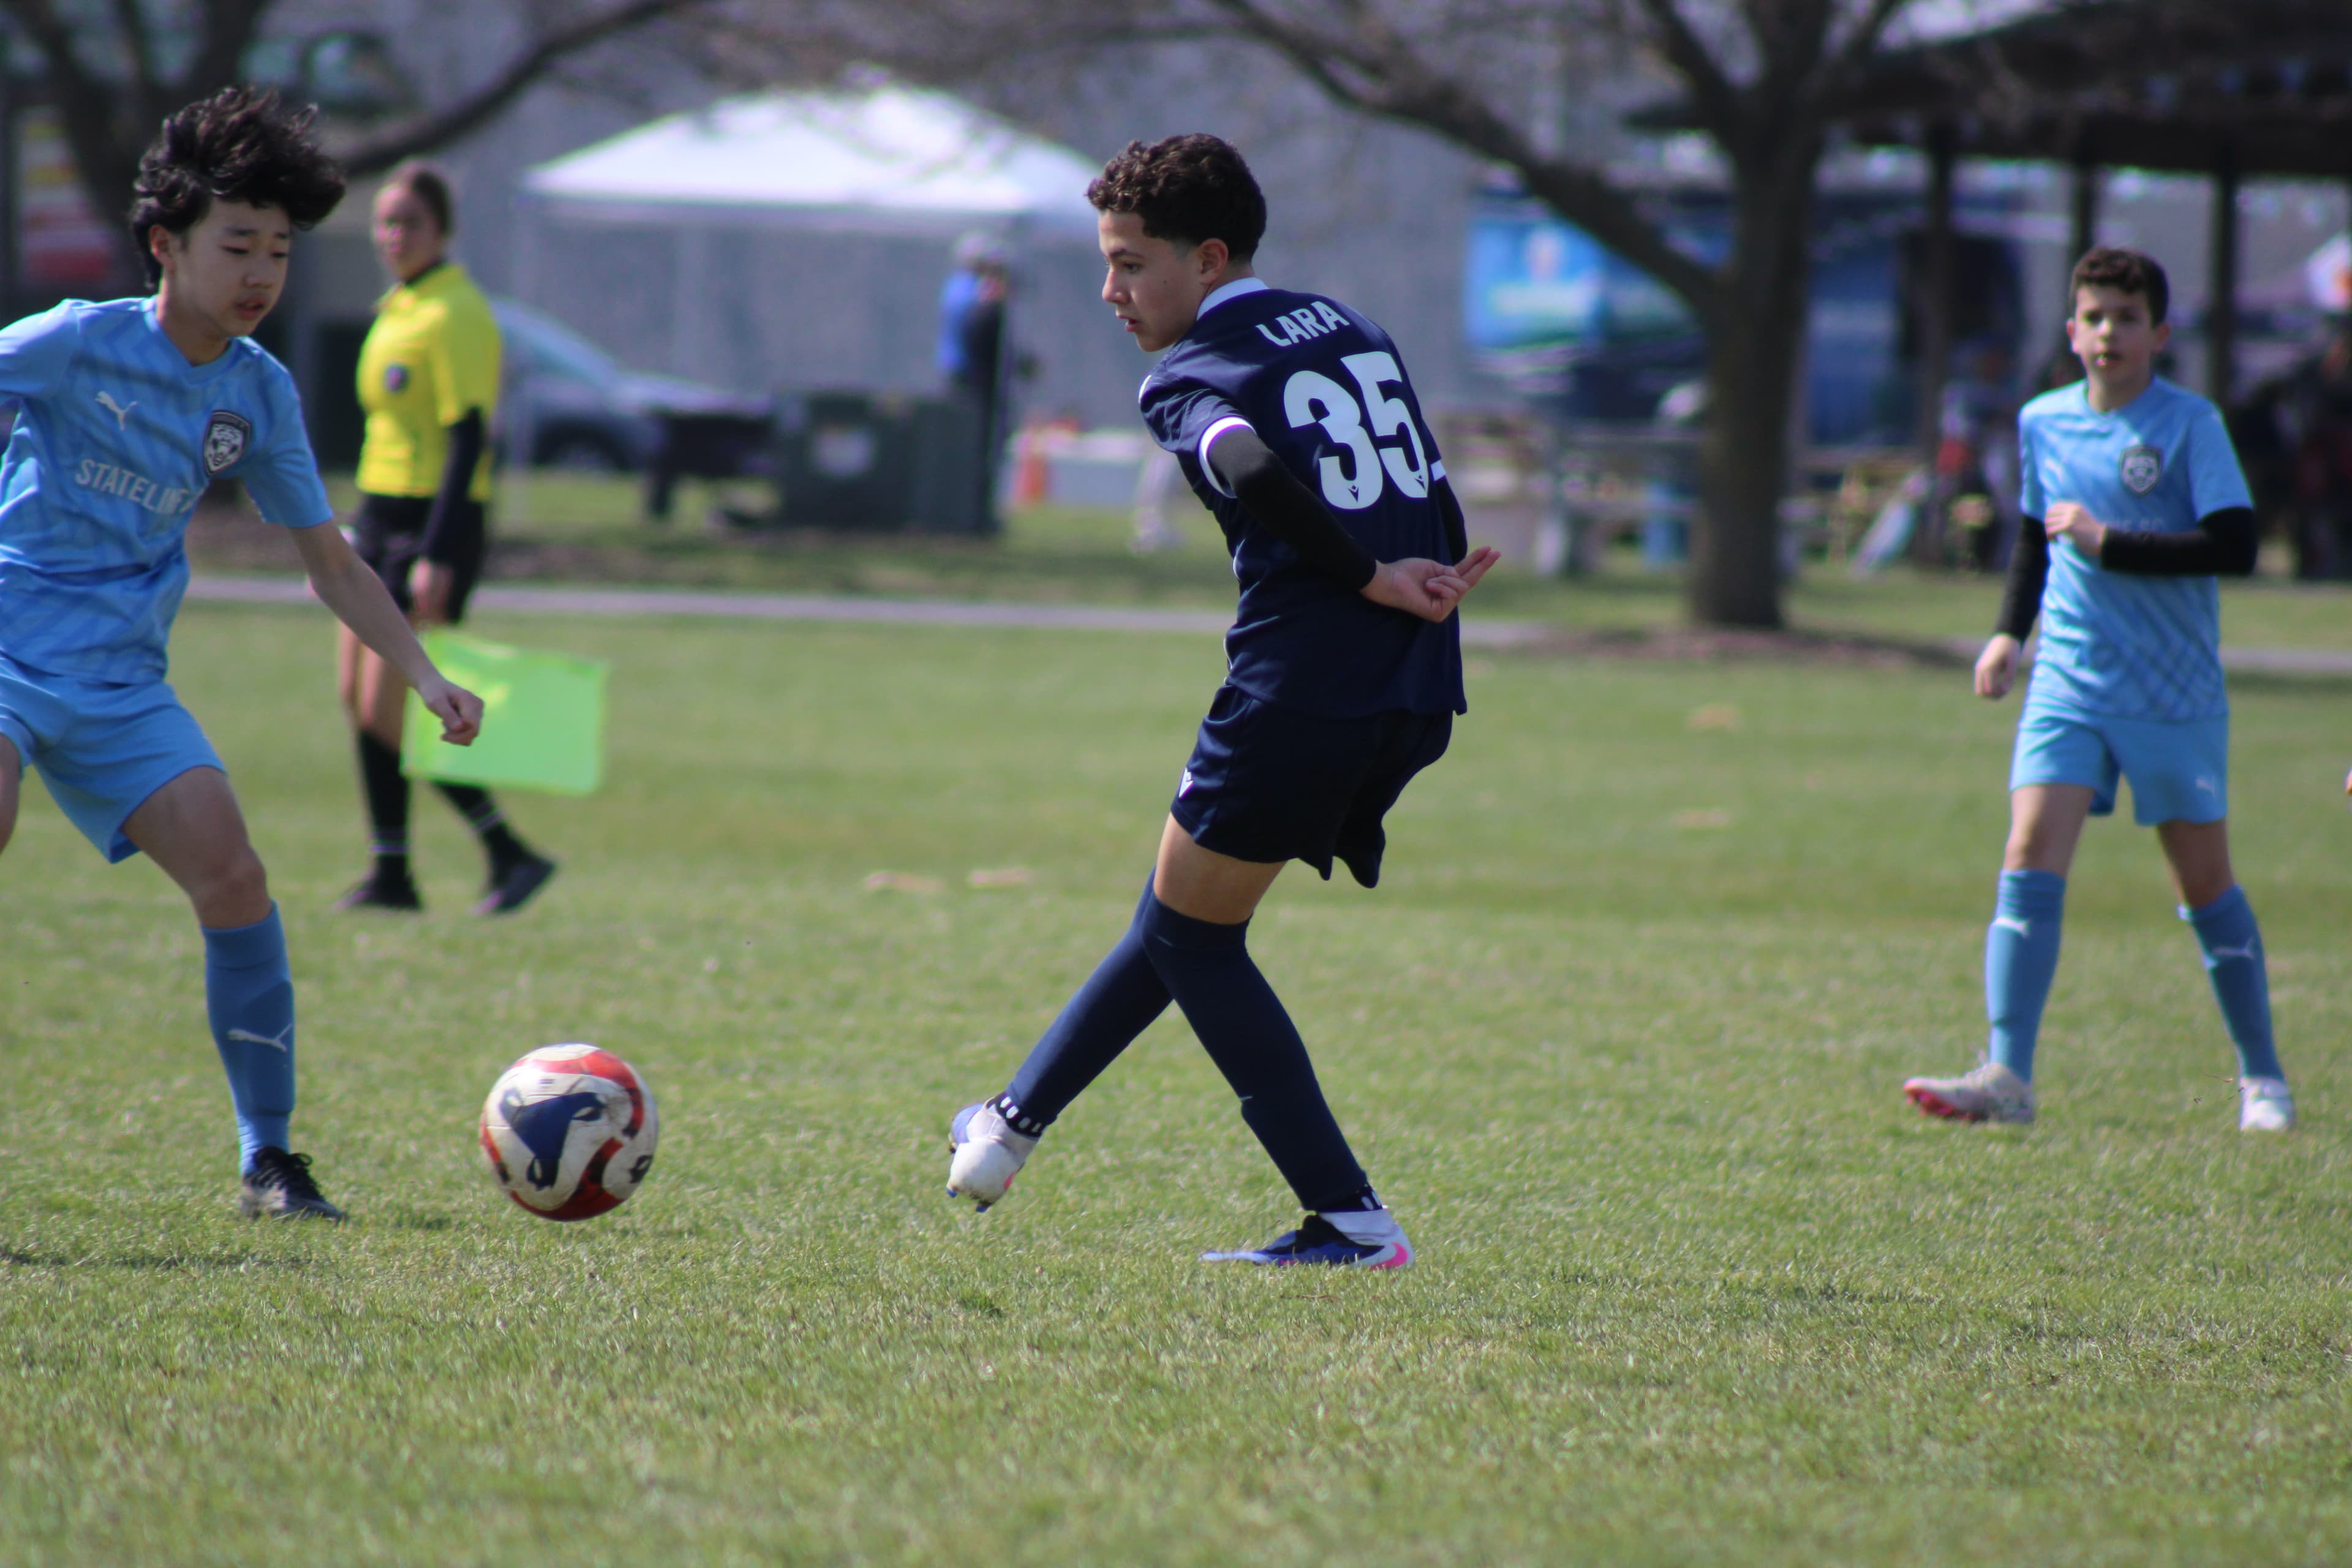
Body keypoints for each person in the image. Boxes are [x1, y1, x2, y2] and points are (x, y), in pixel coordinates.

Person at [943, 135, 1499, 1267]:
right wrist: (1421, 570)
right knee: (1182, 917)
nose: (1112, 292)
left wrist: (1364, 575)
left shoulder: (1190, 374)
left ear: (1207, 259)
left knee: (1197, 940)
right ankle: (1003, 1129)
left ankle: (1349, 1219)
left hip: (1302, 686)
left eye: (1131, 265)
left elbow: (1245, 466)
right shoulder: (1351, 326)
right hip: (1415, 686)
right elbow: (1427, 481)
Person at [0, 89, 484, 1218]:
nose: (263, 272)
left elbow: (334, 563)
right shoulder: (79, 342)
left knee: (237, 879)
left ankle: (269, 1160)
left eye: (279, 248)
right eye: (238, 245)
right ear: (167, 244)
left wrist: (424, 675)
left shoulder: (257, 394)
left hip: (121, 687)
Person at [1902, 247, 2290, 1132]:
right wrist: (2009, 634)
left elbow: (2237, 547)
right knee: (2028, 855)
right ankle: (2008, 1076)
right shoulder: (2044, 421)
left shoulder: (2190, 426)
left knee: (2205, 887)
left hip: (2172, 696)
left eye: (2126, 315)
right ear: (2072, 332)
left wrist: (2113, 541)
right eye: (2095, 316)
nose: (2109, 331)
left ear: (2159, 332)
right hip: (2070, 682)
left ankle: (2262, 1079)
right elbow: (2039, 541)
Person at [336, 162, 554, 915]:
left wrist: (436, 552)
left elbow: (467, 440)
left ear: (444, 232)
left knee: (396, 706)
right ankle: (397, 870)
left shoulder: (456, 311)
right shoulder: (397, 306)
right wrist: (340, 543)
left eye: (411, 223)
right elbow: (387, 433)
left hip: (433, 524)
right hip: (379, 519)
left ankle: (500, 851)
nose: (395, 236)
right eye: (385, 222)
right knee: (358, 702)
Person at [936, 233, 1010, 533]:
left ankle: (968, 511)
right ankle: (975, 514)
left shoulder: (953, 288)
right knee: (979, 446)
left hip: (957, 375)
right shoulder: (974, 292)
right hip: (973, 377)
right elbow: (984, 329)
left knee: (967, 447)